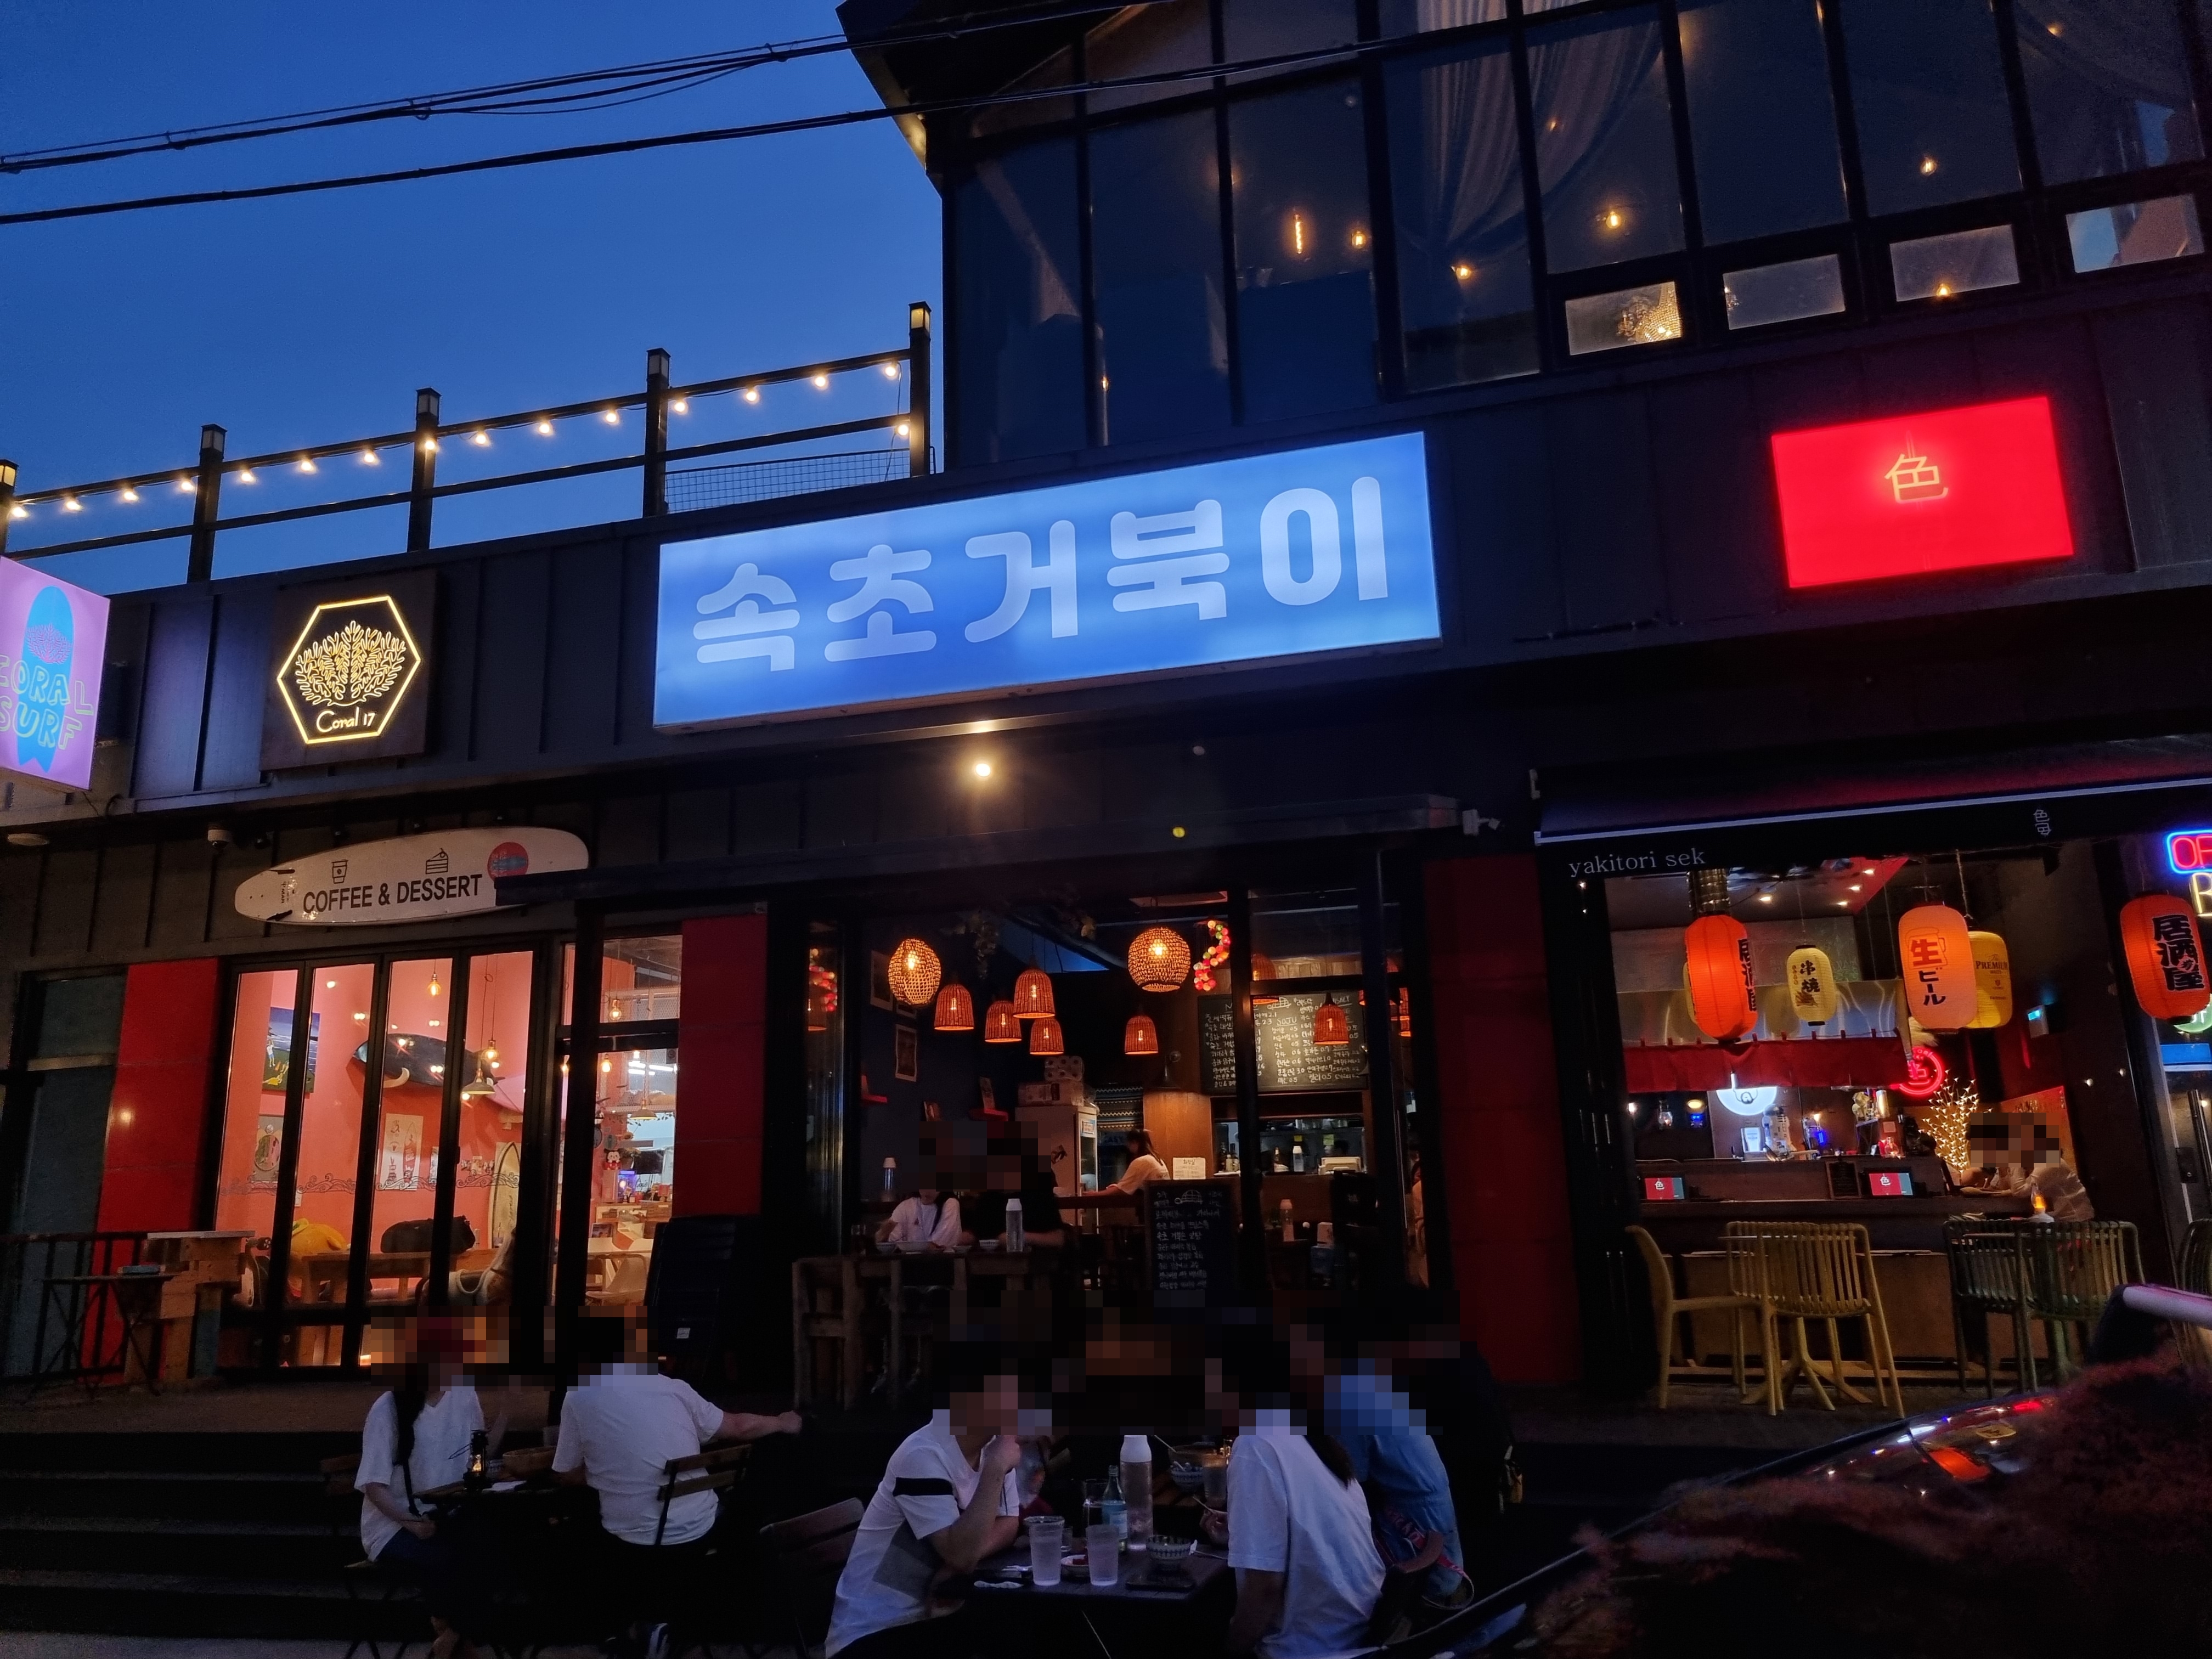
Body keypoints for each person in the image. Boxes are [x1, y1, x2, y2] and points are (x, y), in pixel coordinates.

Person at [554, 1311, 802, 1648]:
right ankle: (652, 1626)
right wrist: (783, 1422)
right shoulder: (673, 1390)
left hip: (632, 1542)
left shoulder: (579, 1395)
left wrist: (607, 1471)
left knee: (575, 1529)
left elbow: (566, 1474)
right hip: (701, 1531)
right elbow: (738, 1427)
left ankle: (621, 1626)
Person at [824, 1349, 1028, 1659]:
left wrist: (952, 1565)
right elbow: (963, 1555)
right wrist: (996, 1470)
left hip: (931, 1620)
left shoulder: (995, 1446)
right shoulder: (923, 1456)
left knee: (1031, 1632)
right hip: (875, 1632)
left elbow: (1008, 1524)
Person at [1213, 1323, 1385, 1659]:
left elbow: (1265, 1589)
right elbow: (1315, 1540)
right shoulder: (1309, 1438)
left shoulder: (1256, 1445)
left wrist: (1229, 1650)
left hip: (1309, 1649)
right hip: (1356, 1636)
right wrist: (1240, 1539)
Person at [1296, 1321, 1469, 1616]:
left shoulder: (1346, 1400)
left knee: (1304, 1554)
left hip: (1420, 1562)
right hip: (1435, 1544)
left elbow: (1344, 1484)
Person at [356, 1319, 503, 1659]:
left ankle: (450, 1637)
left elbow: (478, 1459)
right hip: (394, 1526)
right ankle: (459, 1641)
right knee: (450, 1559)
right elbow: (374, 1486)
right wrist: (412, 1524)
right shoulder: (388, 1408)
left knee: (491, 1548)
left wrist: (507, 1412)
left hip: (446, 1514)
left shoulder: (464, 1394)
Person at [877, 1186, 961, 1249]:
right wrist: (885, 1234)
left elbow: (940, 1243)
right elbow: (893, 1242)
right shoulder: (907, 1206)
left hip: (943, 1262)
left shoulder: (951, 1204)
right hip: (910, 1262)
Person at [1104, 1129, 1170, 1194]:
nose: (1128, 1147)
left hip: (1153, 1199)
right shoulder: (1157, 1159)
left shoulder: (1142, 1161)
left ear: (1134, 1142)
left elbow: (1121, 1191)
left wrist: (1098, 1194)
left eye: (1129, 1144)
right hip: (1163, 1198)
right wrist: (1120, 1186)